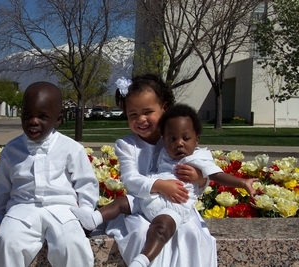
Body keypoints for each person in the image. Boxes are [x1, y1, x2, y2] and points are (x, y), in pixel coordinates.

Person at [72, 103, 258, 267]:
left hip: (174, 206)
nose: (178, 144)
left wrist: (240, 182)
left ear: (197, 139)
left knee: (161, 229)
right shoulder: (161, 150)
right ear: (164, 138)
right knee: (122, 202)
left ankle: (143, 259)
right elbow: (131, 178)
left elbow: (217, 175)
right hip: (147, 199)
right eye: (172, 139)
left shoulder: (198, 157)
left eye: (185, 139)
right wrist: (160, 184)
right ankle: (93, 220)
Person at [0, 81, 99, 267]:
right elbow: (3, 187)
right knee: (7, 243)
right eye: (27, 115)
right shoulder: (11, 150)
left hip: (63, 211)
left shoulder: (71, 149)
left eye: (43, 116)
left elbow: (85, 184)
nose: (33, 121)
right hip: (21, 209)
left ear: (58, 119)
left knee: (72, 245)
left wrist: (86, 216)